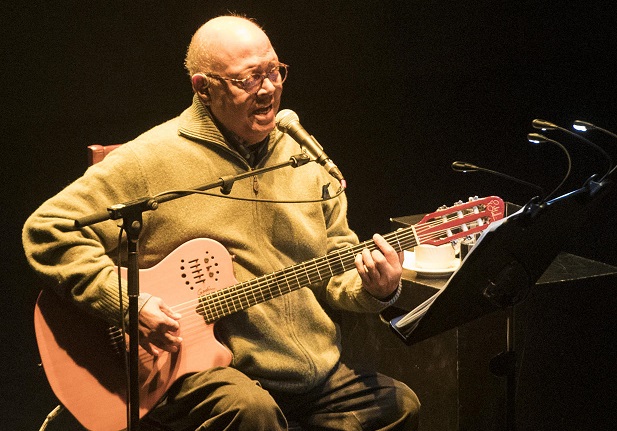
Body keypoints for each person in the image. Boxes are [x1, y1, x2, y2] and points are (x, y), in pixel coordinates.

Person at [23, 14, 420, 431]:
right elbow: (48, 228)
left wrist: (377, 287)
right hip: (209, 369)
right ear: (203, 88)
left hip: (305, 369)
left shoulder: (304, 157)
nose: (268, 88)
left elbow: (336, 266)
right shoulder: (150, 159)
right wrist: (127, 302)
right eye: (248, 79)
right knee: (251, 413)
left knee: (399, 406)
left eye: (274, 71)